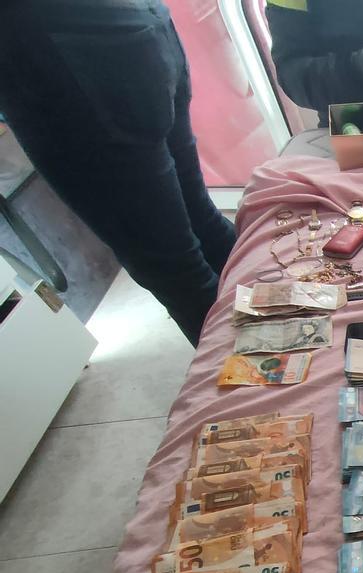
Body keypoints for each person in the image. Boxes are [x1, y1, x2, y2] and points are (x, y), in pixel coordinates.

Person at [0, 0, 236, 347]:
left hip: (61, 51)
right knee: (200, 225)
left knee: (176, 268)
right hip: (130, 24)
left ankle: (273, 378)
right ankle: (303, 349)